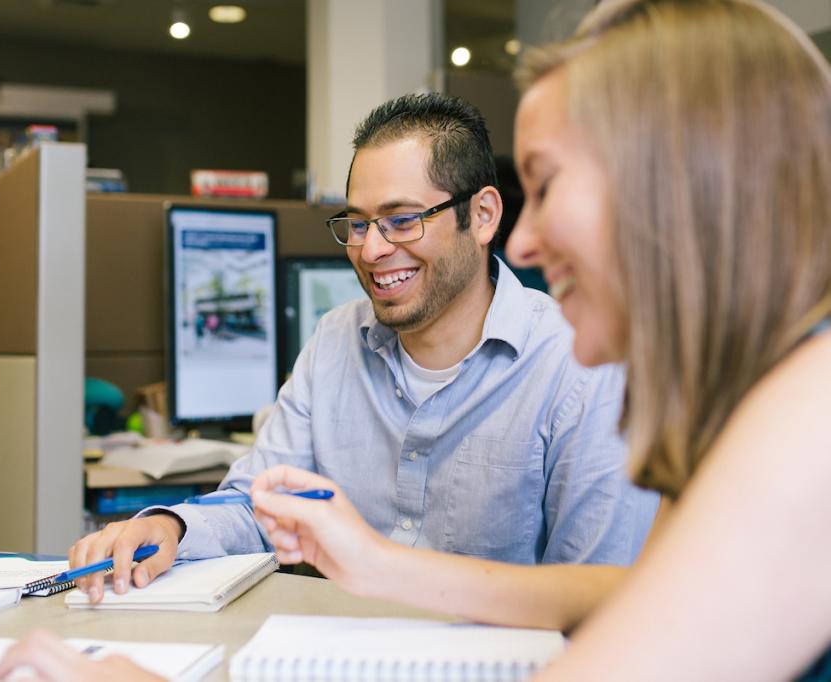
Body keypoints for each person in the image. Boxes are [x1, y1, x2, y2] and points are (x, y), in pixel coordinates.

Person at [247, 1, 831, 680]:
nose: (522, 241)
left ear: (673, 186)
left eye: (547, 186)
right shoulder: (751, 403)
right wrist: (377, 564)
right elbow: (632, 598)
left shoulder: (806, 424)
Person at [0, 91, 659, 681]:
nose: (370, 250)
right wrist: (169, 524)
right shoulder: (336, 339)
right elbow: (259, 503)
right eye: (358, 223)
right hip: (328, 659)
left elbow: (606, 601)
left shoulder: (579, 363)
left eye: (401, 219)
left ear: (481, 215)